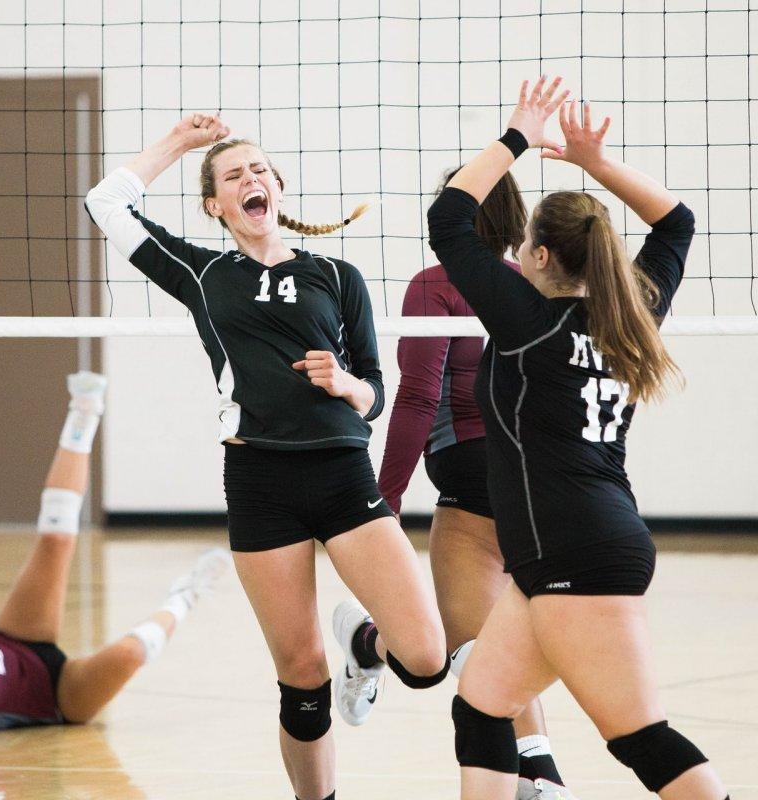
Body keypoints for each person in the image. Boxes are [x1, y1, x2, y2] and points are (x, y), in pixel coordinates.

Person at [86, 115, 448, 800]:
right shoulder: (201, 272)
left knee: (427, 659)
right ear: (214, 205)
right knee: (301, 672)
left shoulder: (338, 276)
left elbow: (374, 392)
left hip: (342, 472)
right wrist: (183, 144)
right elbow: (105, 203)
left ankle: (363, 647)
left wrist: (347, 385)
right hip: (260, 480)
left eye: (259, 170)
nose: (250, 179)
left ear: (277, 188)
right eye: (232, 175)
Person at [428, 77, 729, 800]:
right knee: (481, 706)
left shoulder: (528, 323)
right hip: (574, 545)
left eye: (527, 243)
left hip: (575, 551)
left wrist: (518, 138)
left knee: (639, 738)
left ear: (534, 259)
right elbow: (677, 224)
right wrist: (596, 165)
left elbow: (449, 218)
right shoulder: (632, 315)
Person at [0, 372, 228, 747]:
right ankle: (185, 596)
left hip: (20, 640)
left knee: (56, 540)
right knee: (129, 653)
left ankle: (85, 410)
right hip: (61, 697)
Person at [379, 172, 576, 800]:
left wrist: (382, 503)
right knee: (495, 641)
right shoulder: (538, 288)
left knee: (461, 652)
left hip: (471, 475)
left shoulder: (437, 284)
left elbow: (416, 396)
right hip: (541, 480)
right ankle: (541, 770)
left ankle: (365, 641)